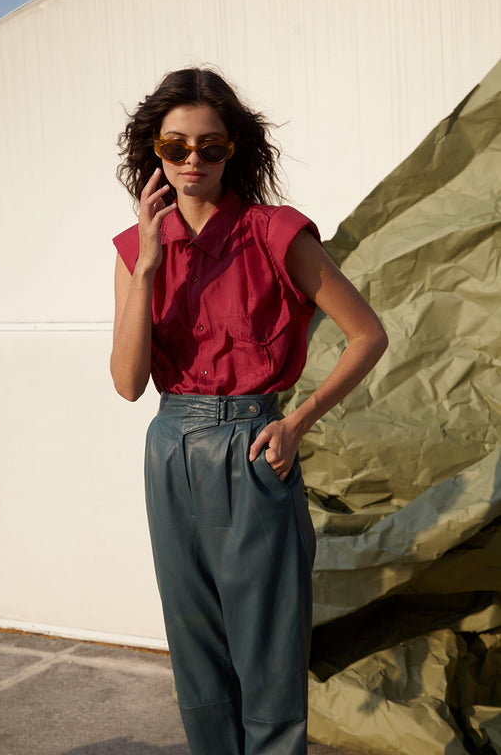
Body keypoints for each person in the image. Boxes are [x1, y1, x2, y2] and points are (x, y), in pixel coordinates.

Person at [110, 67, 388, 755]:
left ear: (235, 149)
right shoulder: (132, 249)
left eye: (211, 146)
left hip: (252, 444)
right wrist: (147, 265)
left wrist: (295, 422)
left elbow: (367, 334)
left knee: (265, 649)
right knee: (194, 643)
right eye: (176, 147)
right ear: (154, 151)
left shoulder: (274, 232)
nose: (193, 161)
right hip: (170, 445)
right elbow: (127, 383)